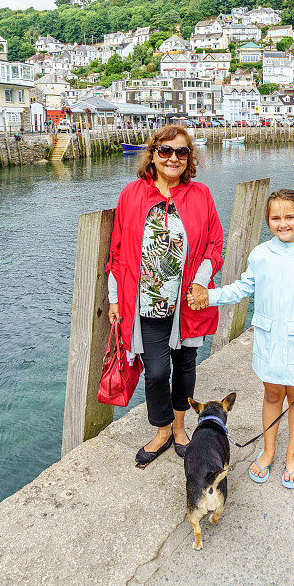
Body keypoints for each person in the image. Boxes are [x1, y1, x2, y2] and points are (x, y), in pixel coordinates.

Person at [188, 189, 294, 489]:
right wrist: (210, 296)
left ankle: (292, 454)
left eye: (290, 216)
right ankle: (269, 450)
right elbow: (242, 288)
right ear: (267, 221)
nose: (283, 223)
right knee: (271, 395)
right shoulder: (260, 254)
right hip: (269, 339)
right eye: (275, 218)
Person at [106, 125, 223, 467]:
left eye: (182, 152)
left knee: (185, 365)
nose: (173, 157)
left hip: (187, 302)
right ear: (153, 154)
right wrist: (115, 298)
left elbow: (215, 244)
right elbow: (117, 251)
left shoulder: (201, 194)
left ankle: (182, 426)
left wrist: (201, 282)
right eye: (166, 151)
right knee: (156, 372)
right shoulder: (131, 194)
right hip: (145, 303)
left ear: (190, 158)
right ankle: (162, 429)